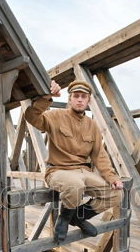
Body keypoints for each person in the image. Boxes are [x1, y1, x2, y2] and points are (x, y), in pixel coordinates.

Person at [25, 79, 123, 242]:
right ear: (69, 99)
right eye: (76, 96)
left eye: (83, 97)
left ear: (88, 100)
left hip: (84, 172)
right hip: (58, 170)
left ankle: (76, 217)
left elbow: (100, 155)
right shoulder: (55, 116)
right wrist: (47, 97)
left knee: (116, 194)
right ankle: (63, 219)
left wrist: (112, 178)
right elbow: (31, 117)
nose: (79, 99)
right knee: (75, 184)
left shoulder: (92, 125)